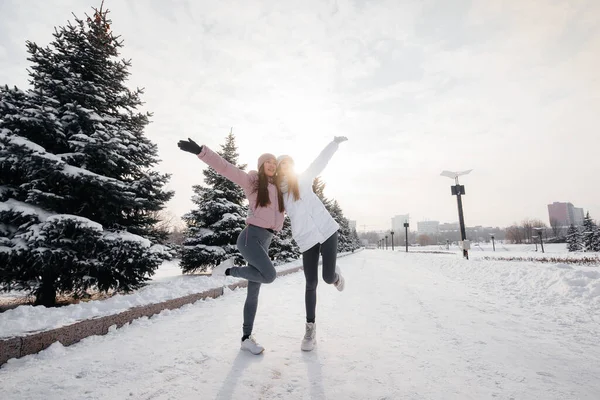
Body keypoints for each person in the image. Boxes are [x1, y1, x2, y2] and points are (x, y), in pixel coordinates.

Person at [178, 138, 284, 355]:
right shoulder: (252, 182)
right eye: (267, 162)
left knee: (253, 294)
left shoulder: (279, 191)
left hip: (265, 241)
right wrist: (201, 151)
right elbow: (226, 168)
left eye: (274, 162)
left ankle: (246, 338)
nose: (272, 165)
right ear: (261, 165)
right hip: (250, 238)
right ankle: (227, 270)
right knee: (270, 275)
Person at [275, 136, 348, 351]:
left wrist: (333, 144)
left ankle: (335, 275)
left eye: (289, 163)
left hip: (327, 230)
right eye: (282, 164)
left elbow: (319, 162)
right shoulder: (279, 195)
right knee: (310, 284)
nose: (286, 167)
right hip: (307, 240)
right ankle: (310, 329)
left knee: (326, 278)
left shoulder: (303, 181)